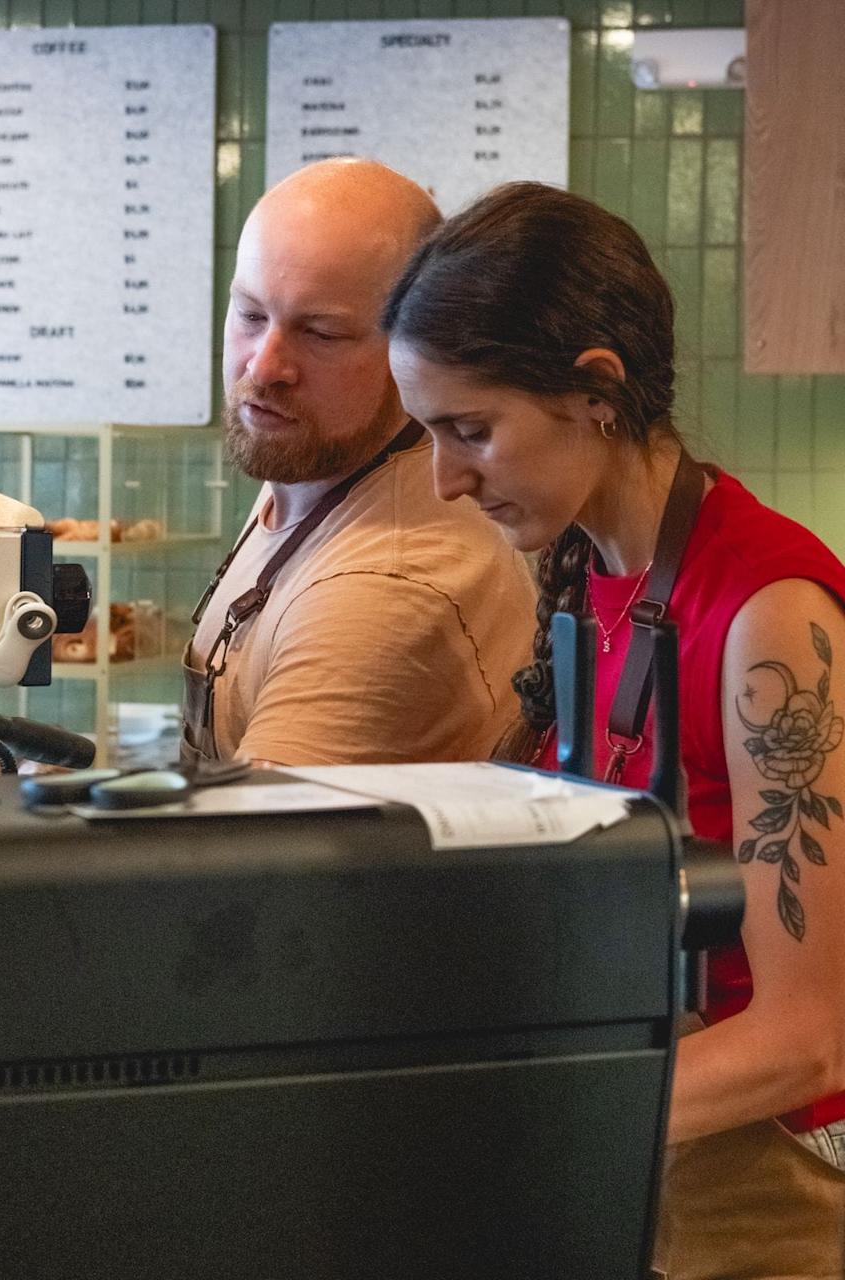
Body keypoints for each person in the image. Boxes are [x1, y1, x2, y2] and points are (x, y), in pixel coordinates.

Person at [383, 181, 845, 1279]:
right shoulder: (591, 574)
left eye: (471, 430)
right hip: (663, 1144)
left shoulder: (770, 615)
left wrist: (521, 1119)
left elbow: (808, 1038)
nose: (447, 480)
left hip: (777, 1173)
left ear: (597, 389)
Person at [183, 160, 535, 768]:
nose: (265, 367)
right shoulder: (317, 457)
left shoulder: (390, 584)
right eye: (251, 314)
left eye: (321, 334)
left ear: (417, 346)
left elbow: (256, 828)